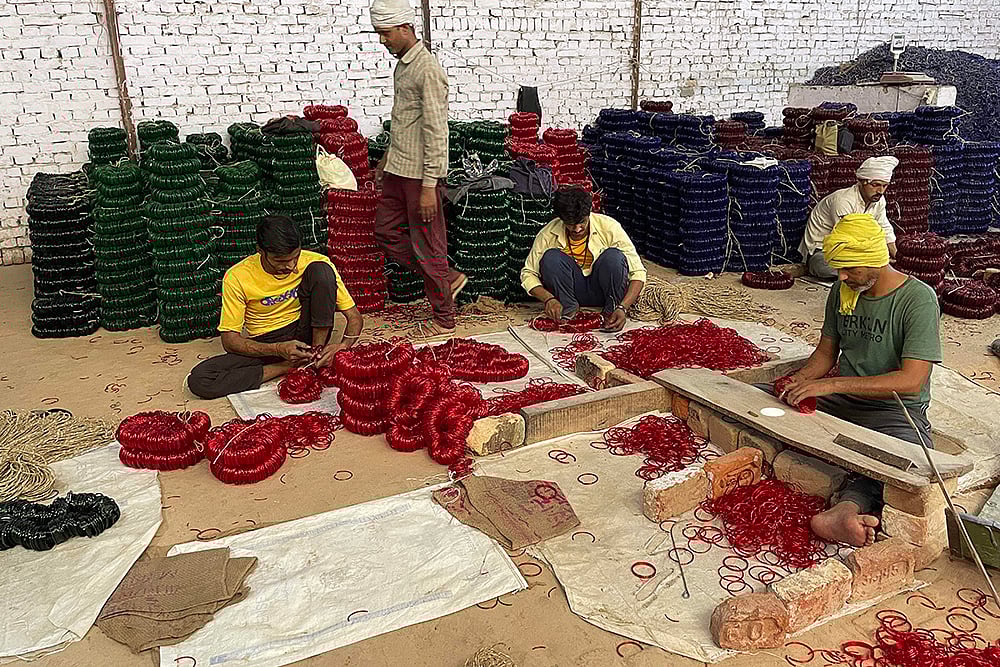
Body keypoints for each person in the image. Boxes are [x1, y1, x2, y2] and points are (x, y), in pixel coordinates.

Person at [767, 213, 941, 547]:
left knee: (911, 459)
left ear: (875, 260)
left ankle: (847, 509)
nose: (842, 276)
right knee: (761, 401)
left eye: (850, 268)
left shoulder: (917, 300)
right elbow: (825, 354)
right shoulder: (843, 290)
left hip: (894, 410)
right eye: (839, 269)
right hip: (844, 401)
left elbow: (911, 380)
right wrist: (798, 381)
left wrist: (830, 384)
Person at [369, 0, 466, 339]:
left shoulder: (427, 69)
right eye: (379, 34)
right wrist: (385, 160)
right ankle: (448, 277)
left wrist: (429, 186)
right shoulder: (403, 66)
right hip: (398, 169)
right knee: (385, 231)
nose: (383, 41)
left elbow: (437, 131)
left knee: (428, 245)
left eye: (385, 33)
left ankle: (444, 315)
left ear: (405, 28)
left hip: (419, 176)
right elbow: (406, 124)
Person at [187, 215, 364, 399]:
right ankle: (289, 366)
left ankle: (314, 355)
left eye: (295, 257)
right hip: (266, 342)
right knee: (201, 379)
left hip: (305, 331)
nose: (290, 266)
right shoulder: (237, 276)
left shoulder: (315, 261)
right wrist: (279, 349)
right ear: (260, 251)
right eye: (280, 261)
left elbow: (354, 317)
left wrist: (343, 346)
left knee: (321, 271)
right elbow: (230, 341)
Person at [520, 185, 646, 333]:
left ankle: (611, 309)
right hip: (570, 291)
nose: (577, 229)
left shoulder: (609, 226)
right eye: (571, 224)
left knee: (614, 257)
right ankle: (569, 309)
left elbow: (638, 272)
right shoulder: (548, 233)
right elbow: (528, 273)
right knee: (551, 258)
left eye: (583, 223)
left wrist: (623, 307)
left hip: (602, 290)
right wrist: (548, 299)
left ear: (589, 214)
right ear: (562, 220)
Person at [800, 156, 899, 279]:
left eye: (885, 186)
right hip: (823, 251)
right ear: (862, 182)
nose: (880, 191)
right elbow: (850, 238)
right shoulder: (843, 201)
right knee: (823, 267)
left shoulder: (878, 200)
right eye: (876, 185)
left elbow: (884, 228)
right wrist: (875, 260)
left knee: (871, 269)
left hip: (854, 251)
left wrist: (897, 256)